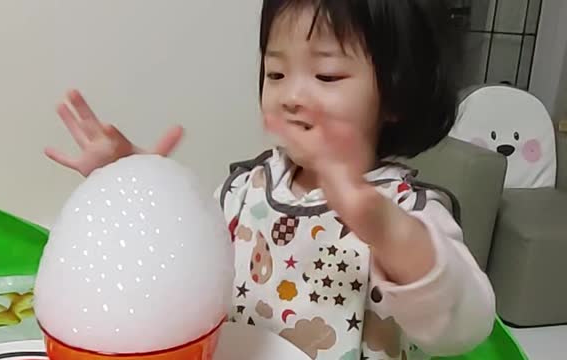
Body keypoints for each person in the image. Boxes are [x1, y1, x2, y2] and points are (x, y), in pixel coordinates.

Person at [45, 1, 496, 359]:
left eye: (327, 74)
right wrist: (136, 177)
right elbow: (183, 257)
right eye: (276, 73)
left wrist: (389, 231)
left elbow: (465, 328)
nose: (291, 96)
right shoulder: (247, 190)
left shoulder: (407, 210)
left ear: (396, 92)